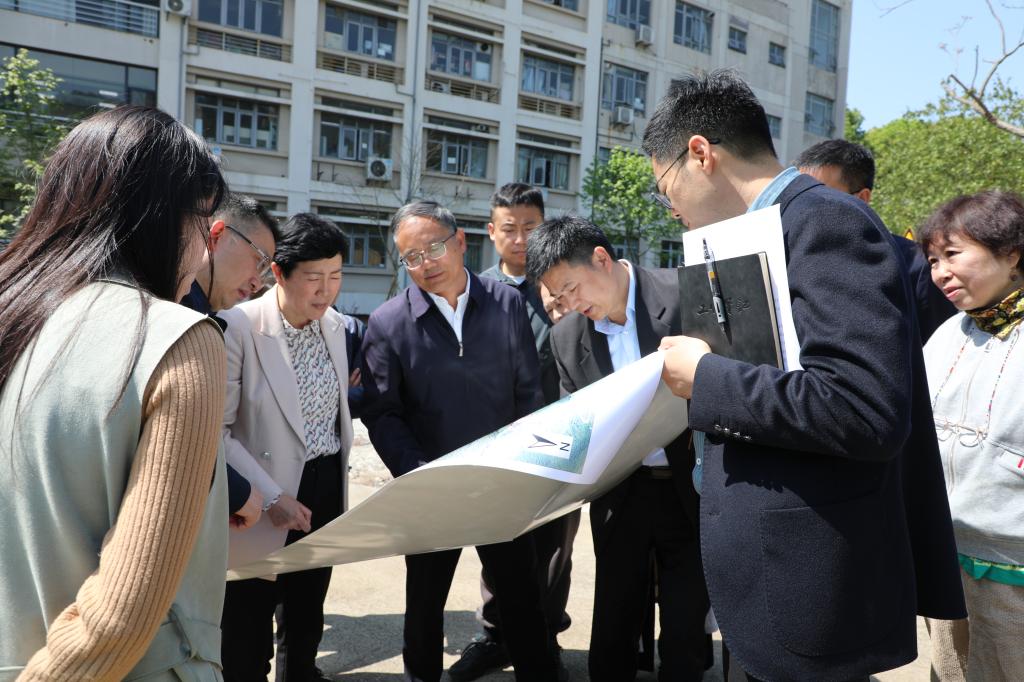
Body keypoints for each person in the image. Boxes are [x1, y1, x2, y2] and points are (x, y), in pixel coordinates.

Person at [642, 70, 966, 680]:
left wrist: (705, 377)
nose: (673, 209)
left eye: (666, 190)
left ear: (701, 154)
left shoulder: (824, 222)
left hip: (810, 579)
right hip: (768, 572)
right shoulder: (751, 234)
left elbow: (863, 408)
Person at [0, 106, 228, 680]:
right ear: (165, 218)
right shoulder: (178, 339)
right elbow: (121, 616)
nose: (205, 254)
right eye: (205, 223)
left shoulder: (14, 317)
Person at [360, 200, 562, 682]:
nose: (425, 263)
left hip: (501, 481)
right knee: (424, 604)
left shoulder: (506, 303)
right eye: (411, 257)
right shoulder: (388, 322)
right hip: (433, 488)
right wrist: (420, 473)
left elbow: (527, 391)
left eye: (434, 248)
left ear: (460, 242)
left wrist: (521, 463)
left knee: (522, 600)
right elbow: (383, 412)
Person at [526, 215, 710, 682]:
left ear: (601, 259)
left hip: (691, 488)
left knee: (686, 628)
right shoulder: (567, 336)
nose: (570, 305)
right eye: (558, 297)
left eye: (571, 288)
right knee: (613, 624)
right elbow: (579, 421)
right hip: (621, 493)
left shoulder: (684, 295)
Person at [451, 183, 580, 681]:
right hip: (497, 445)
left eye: (531, 227)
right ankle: (495, 636)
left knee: (554, 549)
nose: (521, 238)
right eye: (510, 228)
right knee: (497, 544)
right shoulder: (474, 291)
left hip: (559, 441)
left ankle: (545, 638)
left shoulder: (564, 284)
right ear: (491, 232)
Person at [219, 213, 353, 682]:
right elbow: (218, 431)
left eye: (335, 275)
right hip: (260, 495)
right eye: (314, 277)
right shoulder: (239, 326)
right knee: (247, 627)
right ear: (278, 271)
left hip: (324, 487)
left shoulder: (334, 326)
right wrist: (270, 496)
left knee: (306, 615)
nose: (326, 290)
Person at [919, 191, 1024, 681]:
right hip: (948, 559)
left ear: (1012, 254)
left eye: (953, 254)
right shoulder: (948, 334)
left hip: (1013, 569)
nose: (940, 272)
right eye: (932, 260)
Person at [181, 192, 281, 530]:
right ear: (218, 235)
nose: (258, 282)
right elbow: (174, 437)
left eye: (266, 270)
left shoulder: (205, 318)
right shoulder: (175, 316)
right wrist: (236, 491)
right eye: (258, 260)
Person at [796, 139, 956, 340]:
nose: (805, 209)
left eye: (819, 197)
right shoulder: (792, 256)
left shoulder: (915, 265)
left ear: (862, 198)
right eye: (800, 198)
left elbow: (937, 346)